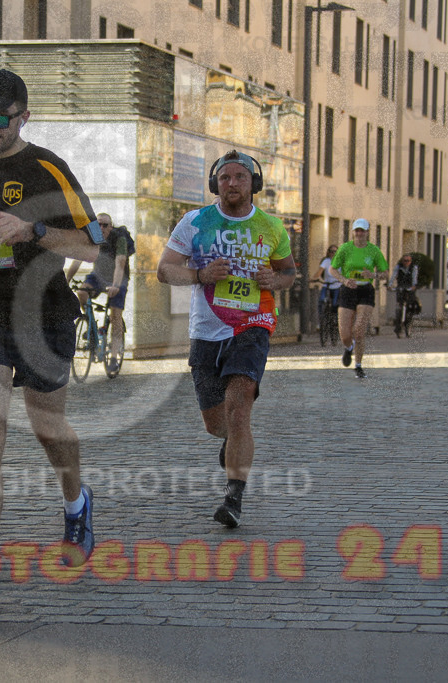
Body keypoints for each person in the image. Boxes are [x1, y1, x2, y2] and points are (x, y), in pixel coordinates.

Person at [0, 69, 102, 606]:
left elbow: (95, 245)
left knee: (47, 428)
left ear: (22, 117)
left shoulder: (47, 167)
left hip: (44, 315)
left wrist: (32, 230)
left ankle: (77, 503)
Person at [156, 149, 296, 528]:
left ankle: (233, 497)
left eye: (239, 177)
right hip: (206, 331)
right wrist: (200, 275)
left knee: (238, 407)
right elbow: (165, 270)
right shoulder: (195, 221)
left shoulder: (272, 227)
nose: (231, 183)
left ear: (254, 184)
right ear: (215, 183)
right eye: (224, 178)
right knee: (216, 423)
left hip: (253, 325)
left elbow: (288, 273)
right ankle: (231, 443)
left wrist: (275, 281)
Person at [65, 213, 135, 374]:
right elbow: (78, 259)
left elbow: (120, 263)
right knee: (82, 293)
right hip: (98, 276)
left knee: (115, 316)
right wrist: (67, 280)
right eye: (99, 224)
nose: (101, 228)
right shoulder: (92, 238)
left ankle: (113, 357)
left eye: (105, 225)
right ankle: (91, 325)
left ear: (111, 226)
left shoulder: (120, 239)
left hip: (119, 279)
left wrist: (116, 285)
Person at [328, 218, 389, 379]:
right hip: (348, 289)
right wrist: (344, 280)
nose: (359, 233)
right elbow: (332, 269)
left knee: (359, 330)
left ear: (367, 232)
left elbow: (385, 274)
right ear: (353, 232)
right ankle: (349, 348)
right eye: (357, 230)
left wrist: (373, 275)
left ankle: (359, 366)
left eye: (362, 230)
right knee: (345, 334)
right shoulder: (345, 249)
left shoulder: (374, 251)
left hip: (365, 290)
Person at [314, 244, 340, 346]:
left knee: (335, 305)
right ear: (328, 252)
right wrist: (313, 278)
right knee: (321, 300)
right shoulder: (326, 261)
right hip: (327, 284)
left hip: (337, 286)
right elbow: (319, 272)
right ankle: (322, 320)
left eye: (335, 251)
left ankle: (336, 324)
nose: (333, 253)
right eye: (331, 251)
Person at [389, 253, 419, 338]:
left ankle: (408, 325)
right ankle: (398, 327)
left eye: (408, 261)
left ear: (410, 261)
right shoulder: (398, 267)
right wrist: (390, 285)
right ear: (402, 261)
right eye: (404, 261)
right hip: (401, 287)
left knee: (410, 306)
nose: (406, 262)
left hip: (409, 288)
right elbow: (393, 276)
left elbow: (414, 277)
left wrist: (413, 285)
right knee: (399, 306)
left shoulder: (414, 268)